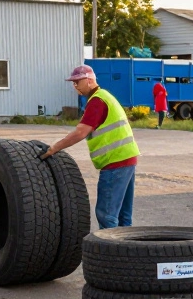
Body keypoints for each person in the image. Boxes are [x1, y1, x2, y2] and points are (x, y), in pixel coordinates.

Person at [40, 65, 138, 228]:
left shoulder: (97, 101)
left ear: (89, 80)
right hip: (127, 159)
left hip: (115, 162)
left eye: (78, 81)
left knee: (106, 216)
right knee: (122, 217)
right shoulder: (105, 96)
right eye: (73, 82)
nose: (75, 85)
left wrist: (53, 149)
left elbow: (81, 132)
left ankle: (109, 252)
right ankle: (127, 251)